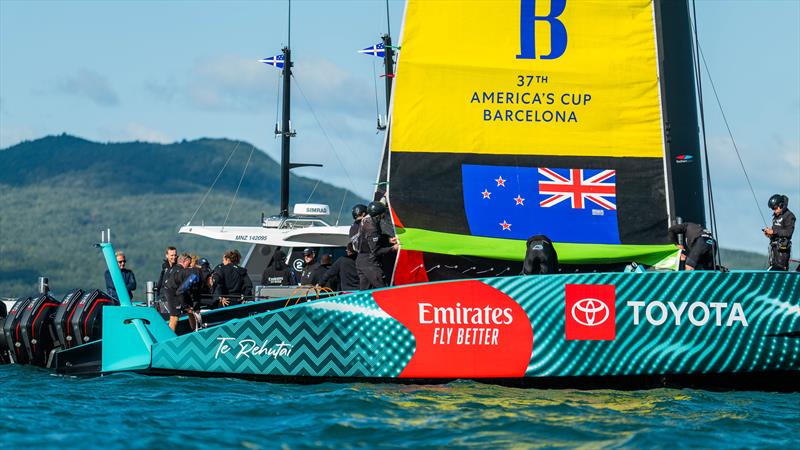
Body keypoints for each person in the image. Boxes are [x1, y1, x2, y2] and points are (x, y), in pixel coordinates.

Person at [356, 201, 399, 289]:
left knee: (365, 291)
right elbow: (376, 251)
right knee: (382, 288)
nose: (383, 217)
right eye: (382, 215)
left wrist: (388, 240)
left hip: (361, 260)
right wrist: (393, 248)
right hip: (369, 262)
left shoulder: (366, 219)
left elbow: (373, 239)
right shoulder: (372, 229)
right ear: (377, 216)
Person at [763, 194, 795, 271]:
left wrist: (773, 231)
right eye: (772, 209)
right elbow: (776, 233)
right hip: (774, 250)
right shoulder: (776, 216)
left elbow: (788, 233)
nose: (774, 210)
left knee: (779, 270)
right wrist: (769, 234)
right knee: (772, 269)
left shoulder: (789, 216)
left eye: (775, 208)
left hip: (782, 251)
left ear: (781, 205)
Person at [162, 254, 193, 331]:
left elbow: (164, 282)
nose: (189, 266)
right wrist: (185, 305)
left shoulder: (171, 268)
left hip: (167, 292)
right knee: (174, 317)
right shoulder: (181, 270)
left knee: (174, 317)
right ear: (185, 261)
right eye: (189, 263)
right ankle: (169, 338)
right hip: (174, 294)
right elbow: (182, 288)